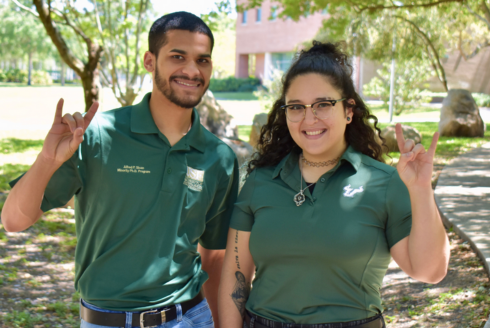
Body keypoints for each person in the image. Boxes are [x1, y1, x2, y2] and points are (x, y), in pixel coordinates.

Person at [2, 12, 238, 328]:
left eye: (203, 60)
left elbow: (214, 257)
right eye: (177, 56)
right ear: (150, 61)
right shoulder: (97, 136)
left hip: (190, 318)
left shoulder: (219, 157)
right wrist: (47, 159)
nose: (193, 70)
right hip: (106, 321)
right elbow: (14, 221)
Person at [218, 41, 450, 328]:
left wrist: (420, 188)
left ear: (349, 110)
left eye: (323, 104)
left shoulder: (385, 182)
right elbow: (235, 272)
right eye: (296, 107)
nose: (309, 118)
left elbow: (430, 270)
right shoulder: (261, 180)